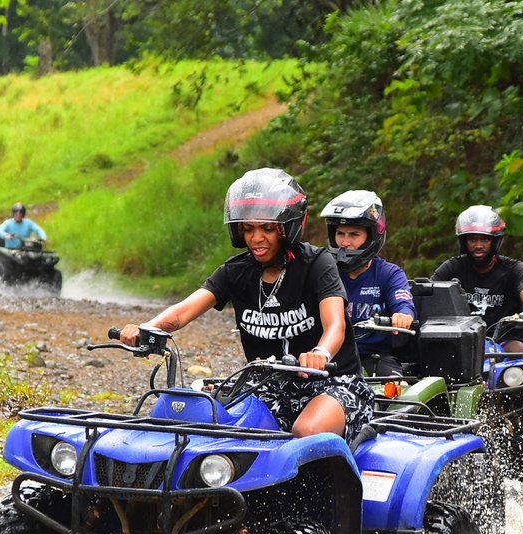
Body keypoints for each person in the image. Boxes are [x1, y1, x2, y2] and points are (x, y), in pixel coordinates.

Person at [119, 168, 374, 441]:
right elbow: (182, 312)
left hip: (332, 384)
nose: (256, 238)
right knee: (204, 420)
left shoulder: (316, 264)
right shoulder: (236, 271)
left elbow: (335, 324)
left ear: (287, 228)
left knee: (307, 431)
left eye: (267, 228)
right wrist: (146, 328)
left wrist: (321, 354)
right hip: (267, 385)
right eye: (248, 228)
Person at [320, 190, 415, 377]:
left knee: (396, 395)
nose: (345, 242)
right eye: (340, 233)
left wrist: (402, 316)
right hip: (329, 357)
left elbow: (404, 305)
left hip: (375, 359)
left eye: (354, 234)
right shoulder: (324, 272)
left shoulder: (389, 273)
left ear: (372, 236)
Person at [431, 204, 523, 352]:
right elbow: (428, 292)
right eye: (472, 240)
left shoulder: (514, 269)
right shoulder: (452, 267)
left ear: (495, 242)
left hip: (504, 342)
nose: (478, 245)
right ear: (464, 242)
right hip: (459, 342)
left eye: (485, 240)